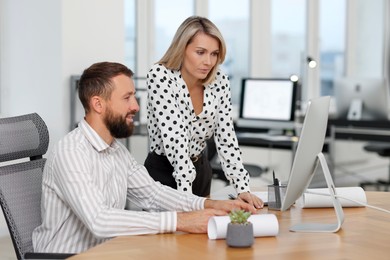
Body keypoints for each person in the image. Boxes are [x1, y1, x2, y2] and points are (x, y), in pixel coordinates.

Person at [32, 62, 257, 254]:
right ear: (98, 104)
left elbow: (152, 194)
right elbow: (99, 220)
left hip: (107, 253)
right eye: (127, 98)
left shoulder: (116, 151)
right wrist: (180, 221)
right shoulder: (71, 152)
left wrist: (209, 204)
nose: (136, 106)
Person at [144, 16, 263, 208]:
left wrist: (242, 188)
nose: (208, 62)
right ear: (182, 49)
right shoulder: (160, 76)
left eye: (214, 54)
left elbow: (226, 137)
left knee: (203, 237)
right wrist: (188, 200)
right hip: (164, 174)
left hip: (200, 170)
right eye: (200, 52)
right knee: (168, 237)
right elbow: (176, 139)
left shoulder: (219, 81)